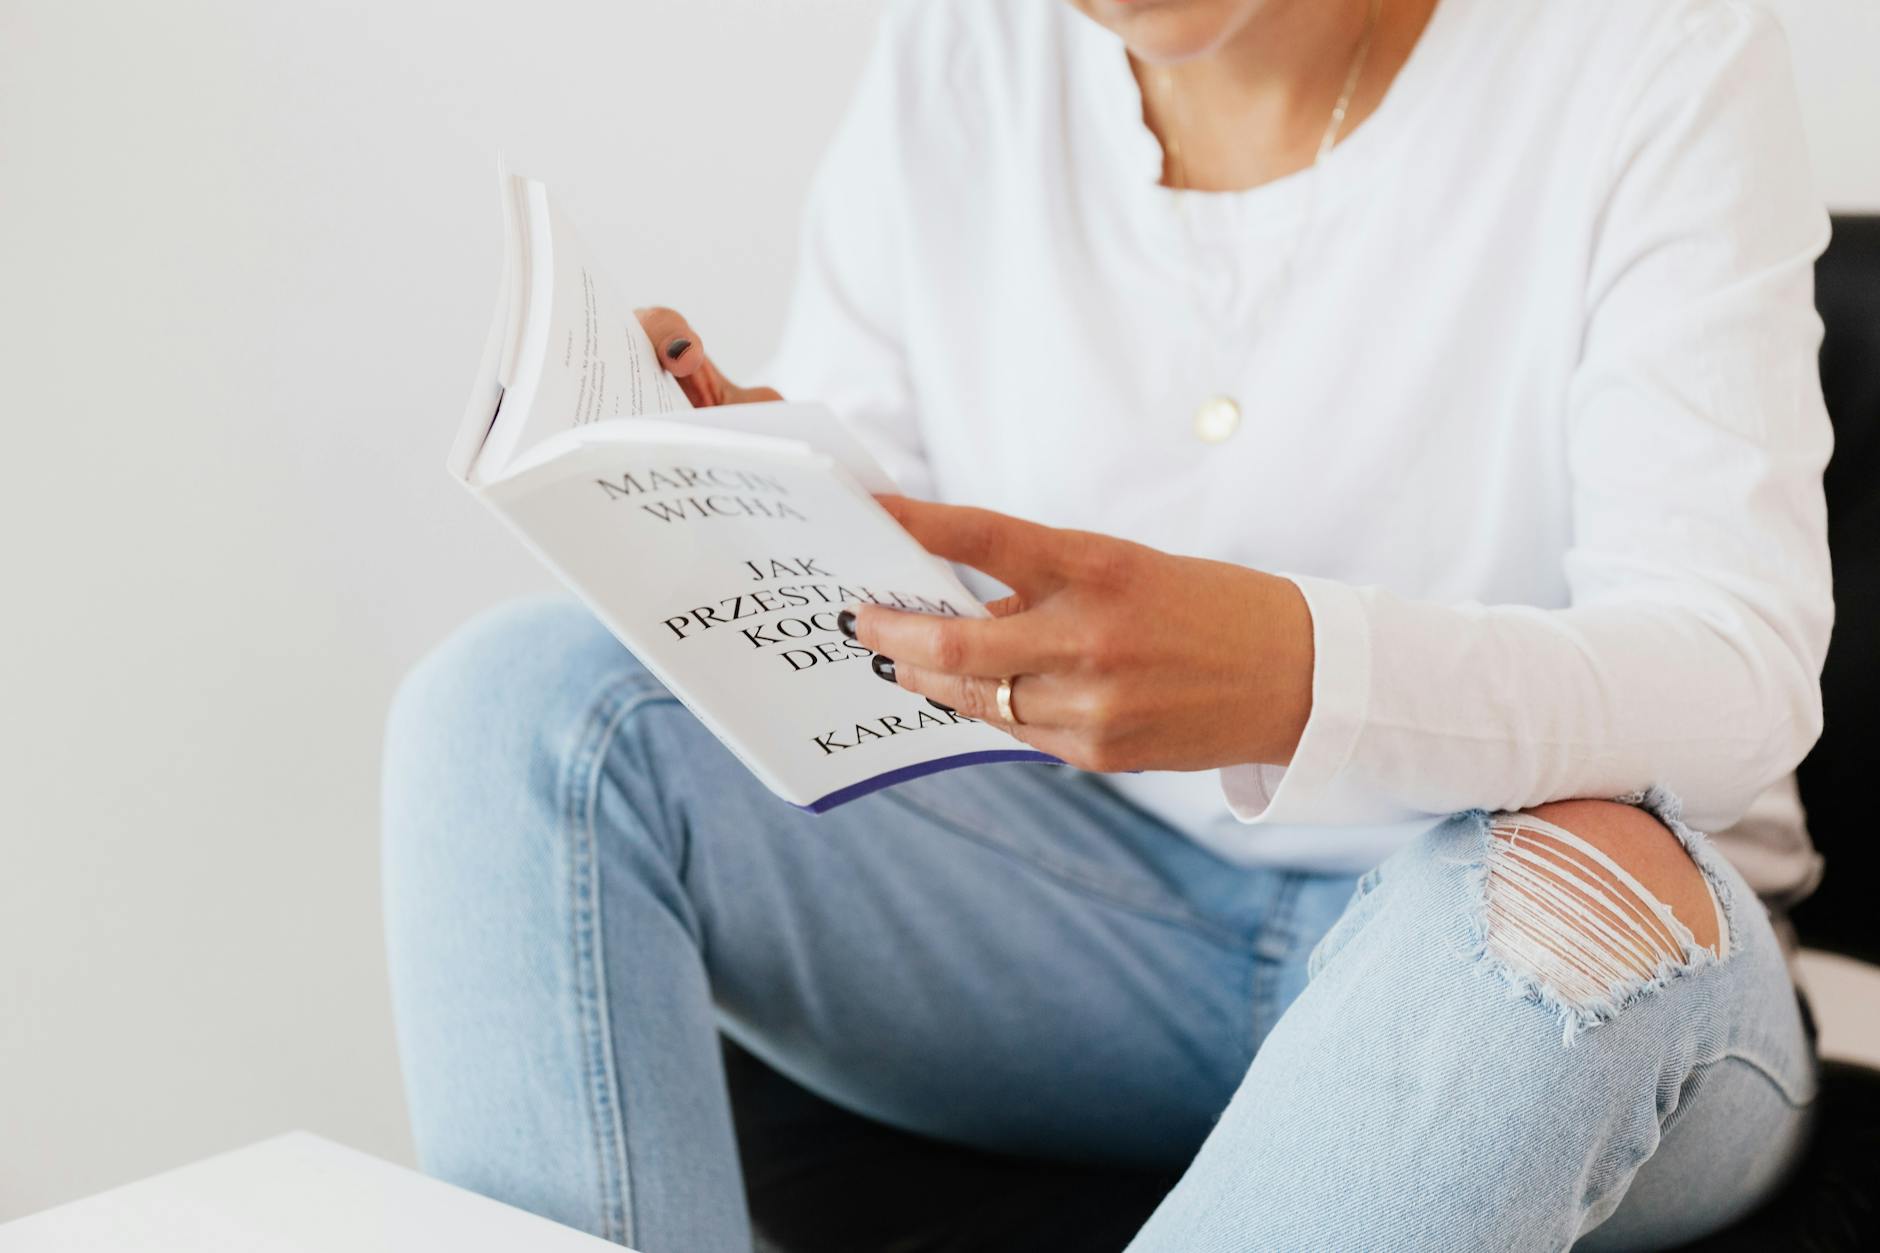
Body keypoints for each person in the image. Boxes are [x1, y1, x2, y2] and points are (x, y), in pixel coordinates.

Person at [382, 0, 1834, 1247]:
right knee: (519, 712)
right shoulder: (969, 52)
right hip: (1092, 932)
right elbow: (896, 529)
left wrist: (1294, 672)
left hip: (1513, 969)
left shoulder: (1651, 57)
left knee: (1556, 892)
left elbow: (1733, 673)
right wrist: (783, 507)